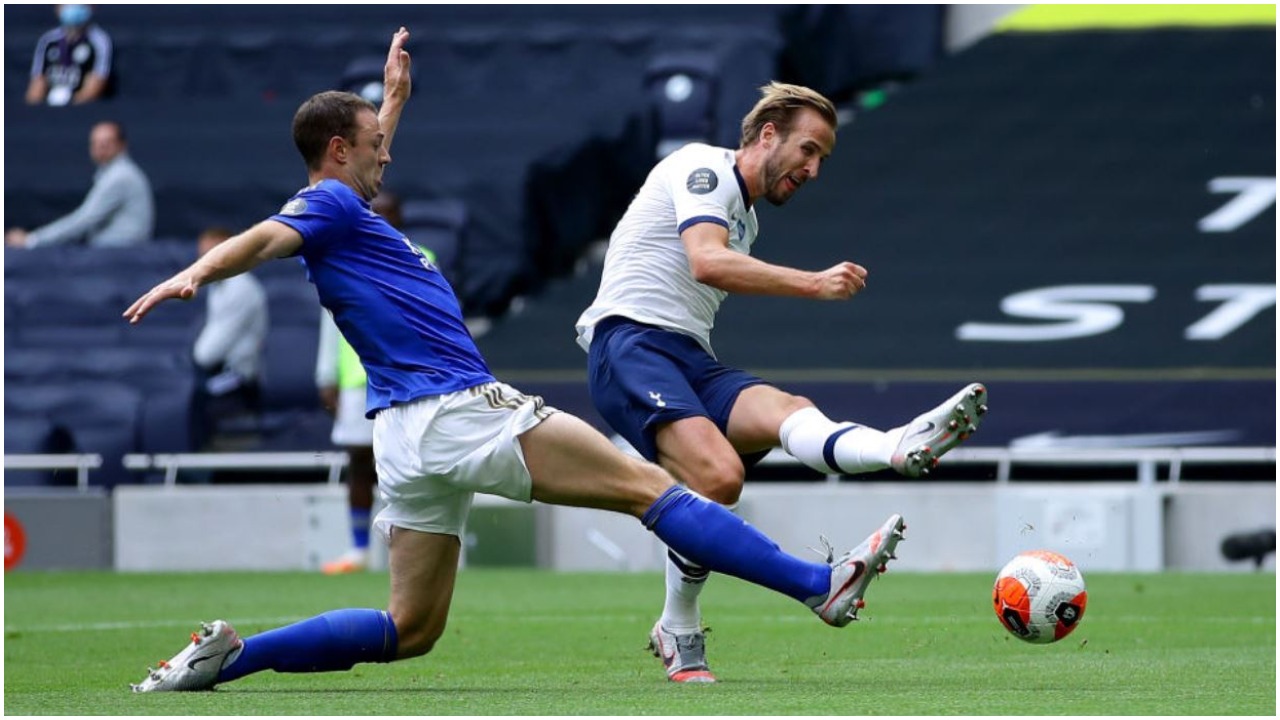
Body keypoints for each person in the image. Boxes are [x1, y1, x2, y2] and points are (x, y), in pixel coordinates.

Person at [123, 28, 906, 693]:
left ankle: (232, 656)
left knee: (411, 627)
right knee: (650, 487)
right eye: (373, 146)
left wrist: (392, 100)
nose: (386, 160)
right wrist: (200, 270)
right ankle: (818, 585)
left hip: (403, 434)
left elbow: (353, 171)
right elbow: (268, 234)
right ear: (337, 151)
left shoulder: (347, 211)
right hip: (454, 405)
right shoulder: (329, 204)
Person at [574, 81, 988, 683]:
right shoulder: (702, 168)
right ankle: (814, 583)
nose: (814, 169)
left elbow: (717, 260)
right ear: (767, 135)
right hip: (629, 344)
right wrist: (814, 284)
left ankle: (891, 449)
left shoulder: (746, 223)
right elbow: (705, 260)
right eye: (808, 149)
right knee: (718, 475)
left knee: (779, 417)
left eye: (822, 158)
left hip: (688, 355)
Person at [317, 189, 431, 575]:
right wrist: (325, 374)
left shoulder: (421, 258)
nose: (383, 218)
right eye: (376, 211)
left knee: (407, 464)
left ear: (400, 217)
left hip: (407, 379)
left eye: (390, 212)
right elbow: (331, 319)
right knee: (360, 463)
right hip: (357, 379)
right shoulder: (346, 256)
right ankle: (359, 549)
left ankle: (409, 549)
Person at [5, 120, 153, 248]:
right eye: (96, 143)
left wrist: (32, 241)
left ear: (122, 145)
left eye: (107, 143)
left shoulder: (120, 176)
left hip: (120, 255)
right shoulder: (113, 173)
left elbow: (84, 220)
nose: (100, 149)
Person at [192, 226, 269, 447]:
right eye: (202, 255)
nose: (205, 261)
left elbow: (206, 354)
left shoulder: (240, 288)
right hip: (223, 383)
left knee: (233, 453)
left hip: (237, 388)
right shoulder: (219, 285)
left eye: (212, 253)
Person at [25, 4, 113, 107]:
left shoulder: (99, 41)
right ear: (57, 8)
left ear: (92, 7)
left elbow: (95, 85)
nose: (72, 6)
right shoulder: (48, 40)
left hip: (80, 109)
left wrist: (68, 103)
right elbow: (37, 84)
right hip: (49, 106)